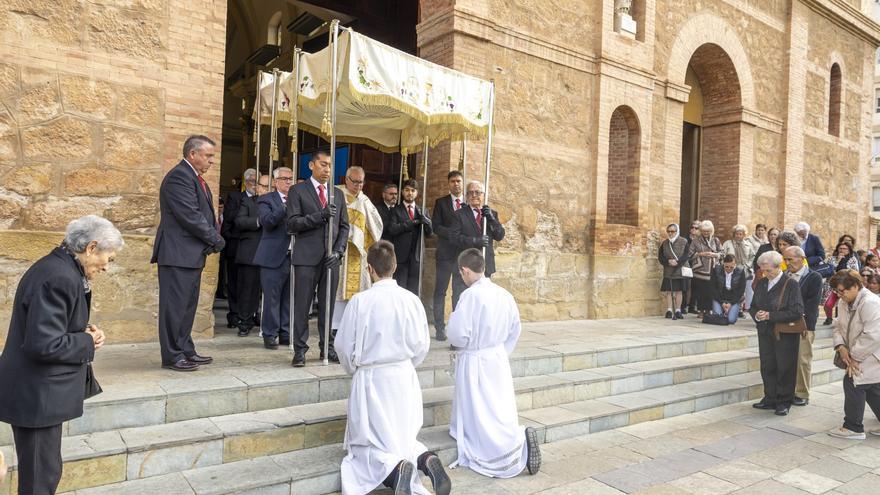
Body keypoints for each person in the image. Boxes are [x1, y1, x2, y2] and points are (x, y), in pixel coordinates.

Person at [0, 215, 123, 495]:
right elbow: (43, 344)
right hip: (36, 394)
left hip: (37, 392)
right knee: (40, 479)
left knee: (44, 472)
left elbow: (49, 328)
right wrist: (86, 341)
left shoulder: (59, 268)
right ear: (91, 248)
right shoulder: (59, 276)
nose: (107, 266)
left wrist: (84, 332)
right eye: (109, 258)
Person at [334, 241, 451, 495]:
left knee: (367, 442)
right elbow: (422, 344)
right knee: (403, 437)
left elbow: (343, 346)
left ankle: (396, 470)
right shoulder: (411, 300)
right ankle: (426, 459)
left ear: (369, 269)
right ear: (395, 266)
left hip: (372, 378)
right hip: (403, 376)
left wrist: (355, 370)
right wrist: (406, 365)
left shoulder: (360, 301)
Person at [446, 248, 540, 478]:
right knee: (498, 406)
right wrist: (500, 352)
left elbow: (457, 334)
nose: (462, 278)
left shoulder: (469, 296)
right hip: (497, 358)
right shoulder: (504, 294)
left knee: (480, 411)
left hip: (475, 359)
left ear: (465, 271)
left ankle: (512, 446)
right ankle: (515, 437)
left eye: (462, 274)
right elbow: (515, 329)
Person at [151, 135, 223, 372]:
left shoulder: (195, 178)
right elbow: (190, 216)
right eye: (208, 155)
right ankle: (172, 355)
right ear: (193, 154)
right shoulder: (179, 178)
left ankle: (185, 349)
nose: (212, 161)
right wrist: (215, 239)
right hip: (177, 254)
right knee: (174, 307)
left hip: (190, 255)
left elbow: (203, 215)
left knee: (186, 306)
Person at [287, 150, 350, 366]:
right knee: (302, 306)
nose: (327, 169)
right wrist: (320, 216)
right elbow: (292, 224)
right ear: (311, 166)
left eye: (330, 166)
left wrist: (339, 251)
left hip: (331, 258)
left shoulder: (337, 194)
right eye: (323, 165)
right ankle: (300, 349)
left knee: (328, 307)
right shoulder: (298, 191)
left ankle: (327, 347)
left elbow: (344, 226)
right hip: (306, 257)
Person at [750, 250, 805, 416]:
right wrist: (757, 315)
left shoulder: (791, 284)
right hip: (765, 331)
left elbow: (797, 311)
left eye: (768, 270)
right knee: (767, 365)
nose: (765, 274)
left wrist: (770, 315)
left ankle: (784, 401)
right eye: (762, 270)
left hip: (785, 333)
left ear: (778, 266)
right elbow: (753, 306)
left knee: (785, 367)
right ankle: (770, 398)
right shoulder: (761, 283)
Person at [827, 270, 880, 440]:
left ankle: (853, 427)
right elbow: (838, 326)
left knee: (853, 382)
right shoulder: (844, 302)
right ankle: (853, 426)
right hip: (855, 352)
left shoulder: (870, 302)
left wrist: (854, 357)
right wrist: (840, 346)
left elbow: (873, 334)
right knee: (871, 387)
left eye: (843, 291)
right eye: (837, 291)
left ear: (856, 286)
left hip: (870, 354)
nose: (840, 295)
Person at [331, 166, 384, 334]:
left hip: (357, 254)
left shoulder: (365, 201)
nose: (358, 186)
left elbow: (377, 226)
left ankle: (354, 326)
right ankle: (334, 328)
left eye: (361, 182)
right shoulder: (335, 194)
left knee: (357, 292)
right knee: (338, 291)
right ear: (346, 179)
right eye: (355, 182)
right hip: (338, 251)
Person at [253, 168, 294, 349]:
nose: (288, 182)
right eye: (284, 179)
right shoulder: (266, 200)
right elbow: (267, 221)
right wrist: (285, 209)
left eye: (291, 179)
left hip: (294, 255)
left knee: (289, 297)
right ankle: (270, 333)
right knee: (272, 298)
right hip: (273, 256)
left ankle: (285, 332)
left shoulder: (297, 200)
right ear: (276, 182)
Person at [783, 246, 823, 407]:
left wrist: (795, 316)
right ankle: (787, 391)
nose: (787, 263)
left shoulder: (814, 277)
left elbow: (812, 304)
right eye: (785, 260)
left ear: (802, 258)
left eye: (790, 259)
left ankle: (801, 393)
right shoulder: (785, 276)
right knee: (786, 359)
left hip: (804, 324)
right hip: (784, 323)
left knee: (802, 359)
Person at [430, 171, 466, 341]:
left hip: (462, 256)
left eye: (458, 181)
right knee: (440, 291)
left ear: (462, 182)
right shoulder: (441, 203)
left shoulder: (467, 204)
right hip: (445, 254)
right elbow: (435, 226)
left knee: (458, 293)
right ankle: (439, 328)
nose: (456, 184)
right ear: (448, 184)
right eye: (452, 181)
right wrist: (451, 234)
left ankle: (456, 328)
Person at [220, 168, 256, 328]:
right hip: (236, 245)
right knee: (235, 283)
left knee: (252, 284)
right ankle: (234, 314)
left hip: (254, 248)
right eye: (254, 182)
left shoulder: (263, 199)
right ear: (247, 182)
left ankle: (250, 314)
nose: (256, 186)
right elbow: (229, 218)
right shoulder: (236, 197)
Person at [234, 173, 268, 336]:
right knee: (248, 289)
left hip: (271, 253)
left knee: (266, 289)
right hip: (251, 253)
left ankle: (259, 316)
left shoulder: (279, 204)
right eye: (263, 186)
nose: (266, 189)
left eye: (270, 187)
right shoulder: (248, 202)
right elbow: (239, 221)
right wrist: (258, 221)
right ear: (257, 187)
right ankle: (244, 321)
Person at [451, 180, 505, 279]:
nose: (474, 195)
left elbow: (500, 236)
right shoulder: (459, 214)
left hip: (485, 266)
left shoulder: (491, 214)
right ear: (466, 196)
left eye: (477, 192)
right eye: (470, 192)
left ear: (483, 195)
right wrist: (475, 241)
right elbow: (454, 238)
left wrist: (492, 220)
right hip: (466, 268)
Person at [388, 179, 433, 295]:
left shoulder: (423, 210)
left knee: (415, 290)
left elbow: (429, 234)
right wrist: (411, 223)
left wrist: (427, 222)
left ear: (417, 193)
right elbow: (392, 229)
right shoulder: (395, 210)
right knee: (400, 290)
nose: (410, 193)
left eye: (413, 190)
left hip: (417, 257)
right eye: (407, 190)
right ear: (402, 192)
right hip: (401, 258)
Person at [688, 220, 723, 317]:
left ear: (711, 231)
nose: (706, 233)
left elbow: (722, 253)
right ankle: (700, 311)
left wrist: (714, 254)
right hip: (699, 270)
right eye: (704, 231)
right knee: (700, 292)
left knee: (710, 292)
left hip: (713, 270)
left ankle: (708, 310)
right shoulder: (695, 241)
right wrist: (700, 254)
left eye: (708, 231)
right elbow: (689, 254)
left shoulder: (715, 240)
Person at [824, 241, 860, 326]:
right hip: (833, 285)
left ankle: (840, 320)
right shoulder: (831, 258)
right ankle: (829, 318)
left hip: (846, 285)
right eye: (840, 248)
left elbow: (855, 272)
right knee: (828, 304)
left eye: (845, 249)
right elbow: (828, 270)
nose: (842, 250)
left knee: (842, 304)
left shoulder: (852, 259)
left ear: (849, 250)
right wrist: (838, 260)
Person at [658, 223, 689, 320]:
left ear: (677, 231)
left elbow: (686, 255)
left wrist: (678, 262)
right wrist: (668, 261)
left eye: (672, 231)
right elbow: (660, 256)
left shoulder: (684, 241)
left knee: (679, 291)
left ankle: (678, 310)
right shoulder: (665, 243)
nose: (670, 233)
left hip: (680, 269)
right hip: (669, 269)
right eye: (669, 231)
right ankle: (669, 310)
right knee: (669, 291)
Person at [722, 225, 755, 314]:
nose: (738, 236)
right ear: (734, 234)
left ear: (744, 235)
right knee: (730, 288)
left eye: (741, 234)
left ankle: (739, 308)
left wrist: (748, 265)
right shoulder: (727, 243)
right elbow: (722, 255)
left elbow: (752, 257)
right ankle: (728, 307)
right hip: (730, 269)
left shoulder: (748, 244)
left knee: (741, 290)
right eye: (737, 234)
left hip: (743, 270)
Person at [711, 254, 746, 324]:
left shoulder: (741, 272)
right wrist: (722, 303)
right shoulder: (716, 270)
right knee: (718, 317)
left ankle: (728, 311)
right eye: (726, 267)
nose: (729, 269)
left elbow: (741, 291)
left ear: (735, 265)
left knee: (731, 320)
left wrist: (731, 303)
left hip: (733, 299)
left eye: (731, 267)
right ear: (723, 264)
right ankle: (723, 311)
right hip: (719, 298)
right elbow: (713, 288)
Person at [682, 221, 702, 314]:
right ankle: (683, 306)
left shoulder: (701, 240)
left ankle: (692, 306)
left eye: (696, 228)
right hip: (687, 264)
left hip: (697, 265)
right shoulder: (685, 239)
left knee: (696, 287)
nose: (693, 229)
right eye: (692, 227)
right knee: (685, 286)